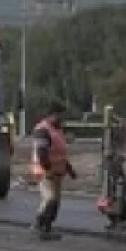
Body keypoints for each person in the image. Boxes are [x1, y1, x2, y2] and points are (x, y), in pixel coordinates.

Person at [30, 100, 76, 240]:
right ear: (52, 114)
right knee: (49, 199)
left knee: (55, 201)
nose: (62, 118)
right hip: (45, 171)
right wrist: (48, 169)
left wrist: (69, 169)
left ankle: (47, 227)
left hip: (57, 172)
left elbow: (60, 152)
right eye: (60, 115)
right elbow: (42, 152)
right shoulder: (43, 130)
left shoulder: (58, 129)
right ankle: (40, 226)